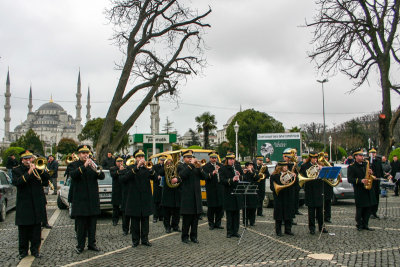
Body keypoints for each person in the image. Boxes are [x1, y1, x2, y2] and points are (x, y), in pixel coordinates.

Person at [12, 150, 50, 260]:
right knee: (23, 231)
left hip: (36, 204)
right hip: (24, 205)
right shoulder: (17, 170)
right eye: (26, 159)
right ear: (22, 160)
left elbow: (46, 180)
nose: (28, 160)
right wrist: (29, 172)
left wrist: (40, 170)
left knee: (36, 231)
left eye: (30, 158)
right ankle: (23, 252)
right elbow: (18, 182)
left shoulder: (38, 169)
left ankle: (35, 250)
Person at [70, 145, 105, 254]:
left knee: (92, 225)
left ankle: (92, 244)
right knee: (81, 225)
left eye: (87, 153)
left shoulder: (93, 165)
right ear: (79, 154)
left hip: (92, 200)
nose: (86, 155)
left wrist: (96, 169)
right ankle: (80, 245)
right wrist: (84, 166)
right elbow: (73, 175)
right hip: (80, 200)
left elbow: (102, 176)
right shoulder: (73, 165)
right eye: (83, 153)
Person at [121, 149, 155, 247]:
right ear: (135, 158)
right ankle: (135, 241)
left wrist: (150, 170)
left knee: (145, 221)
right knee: (135, 221)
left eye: (142, 157)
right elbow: (124, 179)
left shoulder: (147, 167)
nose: (141, 159)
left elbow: (155, 177)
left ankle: (145, 239)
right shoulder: (130, 168)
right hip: (134, 198)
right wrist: (136, 167)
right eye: (139, 157)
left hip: (145, 198)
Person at [347, 149, 376, 231]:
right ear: (355, 157)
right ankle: (359, 224)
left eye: (362, 155)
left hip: (367, 189)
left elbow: (369, 174)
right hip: (359, 190)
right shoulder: (352, 166)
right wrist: (360, 180)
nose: (362, 157)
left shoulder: (365, 164)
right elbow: (350, 179)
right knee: (360, 209)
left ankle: (366, 224)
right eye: (360, 155)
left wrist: (371, 172)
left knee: (368, 208)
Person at [178, 150, 203, 243]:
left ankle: (194, 236)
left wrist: (200, 168)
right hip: (187, 197)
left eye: (191, 157)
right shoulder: (181, 167)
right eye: (188, 157)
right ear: (184, 158)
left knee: (195, 220)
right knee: (187, 220)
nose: (190, 159)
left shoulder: (196, 167)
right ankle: (184, 237)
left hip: (196, 197)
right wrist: (191, 165)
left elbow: (204, 176)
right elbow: (182, 175)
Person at [301, 152, 328, 235]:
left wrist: (321, 169)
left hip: (319, 190)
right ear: (310, 158)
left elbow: (324, 176)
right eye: (313, 158)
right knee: (311, 211)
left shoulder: (320, 165)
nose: (315, 160)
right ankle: (312, 228)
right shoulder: (304, 166)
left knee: (320, 211)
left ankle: (321, 227)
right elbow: (303, 176)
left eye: (316, 158)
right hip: (310, 190)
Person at [220, 152, 243, 238]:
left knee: (236, 214)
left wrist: (239, 176)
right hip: (228, 193)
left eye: (233, 159)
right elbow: (222, 181)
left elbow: (244, 177)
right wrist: (231, 179)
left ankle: (235, 231)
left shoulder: (237, 167)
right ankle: (229, 232)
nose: (232, 161)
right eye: (230, 159)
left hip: (237, 194)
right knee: (229, 215)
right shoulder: (223, 169)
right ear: (227, 160)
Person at [270, 161, 295, 236]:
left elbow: (293, 185)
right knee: (279, 214)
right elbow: (272, 187)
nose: (286, 168)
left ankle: (288, 229)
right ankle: (278, 230)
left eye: (286, 166)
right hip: (279, 196)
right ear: (280, 167)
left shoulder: (289, 174)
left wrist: (294, 177)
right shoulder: (274, 175)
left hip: (288, 196)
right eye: (284, 166)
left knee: (288, 213)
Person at [201, 151, 224, 230]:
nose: (214, 160)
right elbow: (204, 177)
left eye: (215, 158)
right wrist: (213, 172)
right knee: (211, 208)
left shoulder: (221, 165)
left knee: (220, 208)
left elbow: (224, 176)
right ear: (210, 158)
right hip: (211, 189)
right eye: (213, 158)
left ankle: (218, 223)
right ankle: (211, 224)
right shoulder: (206, 166)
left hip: (220, 189)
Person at [161, 154, 182, 234]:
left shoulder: (180, 166)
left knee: (177, 211)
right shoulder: (166, 166)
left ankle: (175, 226)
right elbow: (160, 173)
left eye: (178, 157)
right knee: (167, 212)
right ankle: (167, 227)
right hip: (168, 192)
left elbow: (182, 176)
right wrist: (165, 166)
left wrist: (177, 179)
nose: (177, 158)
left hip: (177, 191)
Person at [242, 161, 258, 226]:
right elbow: (242, 180)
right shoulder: (244, 172)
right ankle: (245, 222)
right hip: (246, 193)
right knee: (246, 208)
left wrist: (251, 172)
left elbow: (257, 178)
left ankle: (252, 221)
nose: (251, 166)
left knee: (253, 208)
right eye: (249, 165)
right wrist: (244, 174)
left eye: (252, 165)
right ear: (246, 166)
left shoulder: (255, 172)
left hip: (253, 192)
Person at [119, 156, 132, 235]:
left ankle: (131, 229)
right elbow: (122, 179)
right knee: (125, 214)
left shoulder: (134, 170)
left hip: (132, 194)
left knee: (132, 214)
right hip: (125, 194)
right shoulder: (124, 170)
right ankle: (125, 229)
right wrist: (121, 171)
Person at [369, 148, 384, 219]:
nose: (373, 154)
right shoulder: (368, 161)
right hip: (371, 182)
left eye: (374, 153)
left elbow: (381, 170)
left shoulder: (378, 160)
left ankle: (375, 212)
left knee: (376, 197)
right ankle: (370, 212)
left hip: (377, 181)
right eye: (372, 153)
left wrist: (385, 176)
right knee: (371, 197)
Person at [110, 156, 124, 226]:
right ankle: (115, 220)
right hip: (116, 190)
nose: (120, 163)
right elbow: (113, 175)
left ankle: (125, 222)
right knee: (115, 207)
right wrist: (119, 171)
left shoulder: (125, 168)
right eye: (118, 161)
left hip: (123, 190)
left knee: (124, 207)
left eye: (121, 161)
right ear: (116, 162)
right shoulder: (113, 168)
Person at [152, 155, 166, 223]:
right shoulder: (155, 166)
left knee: (162, 201)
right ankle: (155, 217)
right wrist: (157, 176)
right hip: (157, 186)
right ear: (159, 160)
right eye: (161, 160)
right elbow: (153, 174)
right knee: (156, 202)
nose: (162, 161)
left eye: (163, 160)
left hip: (164, 186)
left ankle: (161, 216)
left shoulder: (166, 166)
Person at [323, 152, 334, 223]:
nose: (326, 159)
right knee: (322, 203)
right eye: (324, 158)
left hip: (329, 186)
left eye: (326, 158)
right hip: (323, 186)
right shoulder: (319, 166)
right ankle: (320, 217)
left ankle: (328, 217)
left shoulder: (331, 165)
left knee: (328, 203)